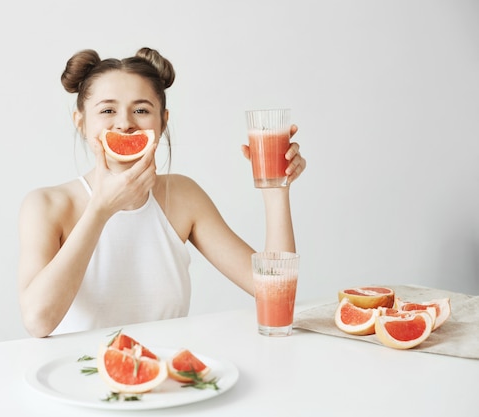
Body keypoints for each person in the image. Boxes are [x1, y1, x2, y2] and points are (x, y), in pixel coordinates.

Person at [18, 47, 306, 338]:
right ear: (80, 121)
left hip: (166, 374)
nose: (125, 123)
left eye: (141, 110)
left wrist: (277, 187)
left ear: (163, 121)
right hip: (78, 376)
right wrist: (100, 209)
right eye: (107, 110)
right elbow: (38, 321)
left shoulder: (183, 196)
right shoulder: (46, 205)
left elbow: (276, 295)